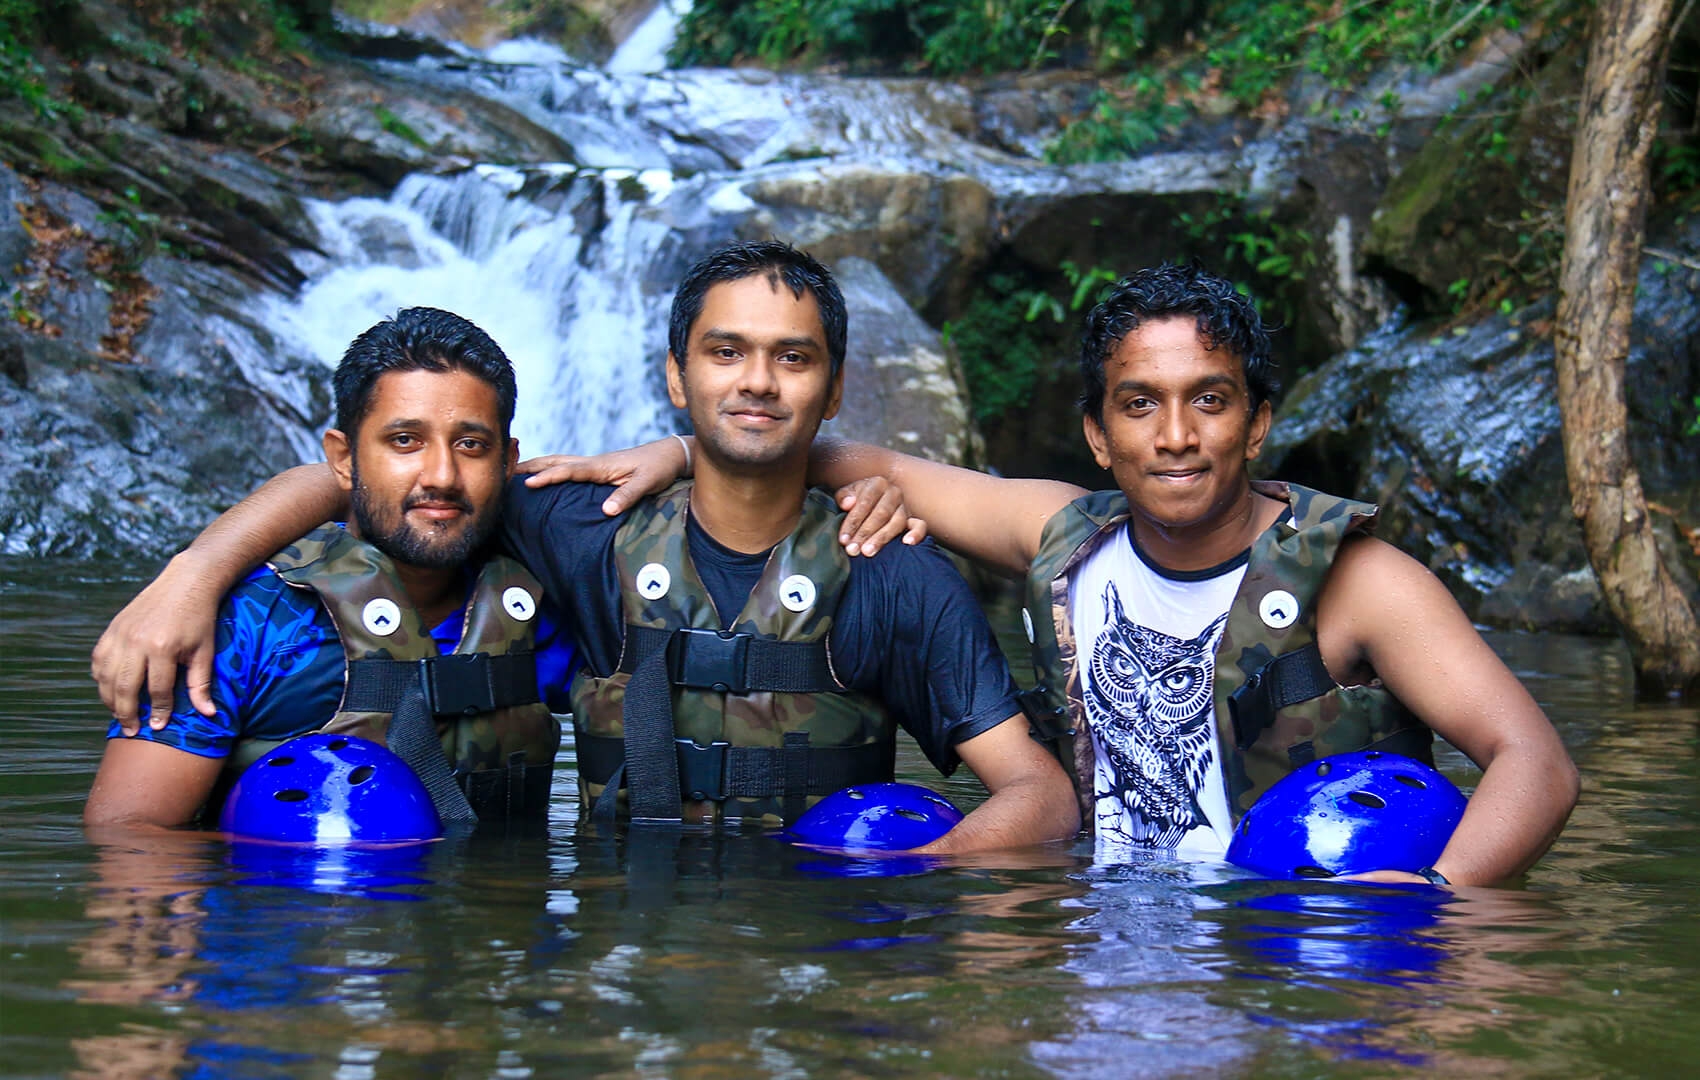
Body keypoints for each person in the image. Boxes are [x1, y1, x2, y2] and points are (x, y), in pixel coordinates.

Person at [526, 262, 1579, 886]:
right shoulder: (1062, 538)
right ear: (1094, 433)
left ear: (1256, 422)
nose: (1174, 437)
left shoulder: (1362, 583)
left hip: (1294, 934)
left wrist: (1436, 897)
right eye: (1138, 405)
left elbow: (1532, 759)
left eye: (1208, 400)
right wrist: (671, 453)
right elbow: (829, 455)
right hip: (1089, 933)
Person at [90, 243, 1081, 853]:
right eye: (725, 352)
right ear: (674, 375)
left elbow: (1039, 796)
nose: (757, 383)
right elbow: (387, 481)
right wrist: (194, 573)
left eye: (792, 358)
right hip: (613, 978)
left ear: (829, 388)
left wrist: (916, 872)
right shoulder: (582, 526)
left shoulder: (893, 571)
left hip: (823, 957)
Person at [85, 308, 577, 829]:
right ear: (344, 458)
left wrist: (678, 451)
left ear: (507, 461)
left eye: (470, 445)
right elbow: (130, 842)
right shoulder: (246, 623)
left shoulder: (550, 601)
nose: (442, 476)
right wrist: (194, 572)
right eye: (404, 441)